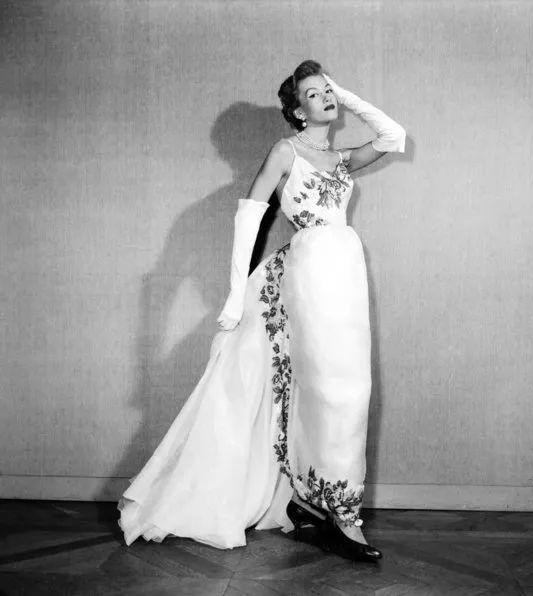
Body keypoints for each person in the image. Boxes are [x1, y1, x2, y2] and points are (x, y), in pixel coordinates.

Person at [117, 59, 406, 562]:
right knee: (331, 388)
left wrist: (343, 93)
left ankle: (308, 502)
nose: (326, 98)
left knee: (348, 387)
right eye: (313, 94)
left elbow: (392, 134)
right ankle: (342, 516)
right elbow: (249, 218)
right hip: (310, 273)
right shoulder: (285, 151)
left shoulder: (340, 159)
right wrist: (234, 297)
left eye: (327, 91)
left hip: (345, 274)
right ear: (297, 111)